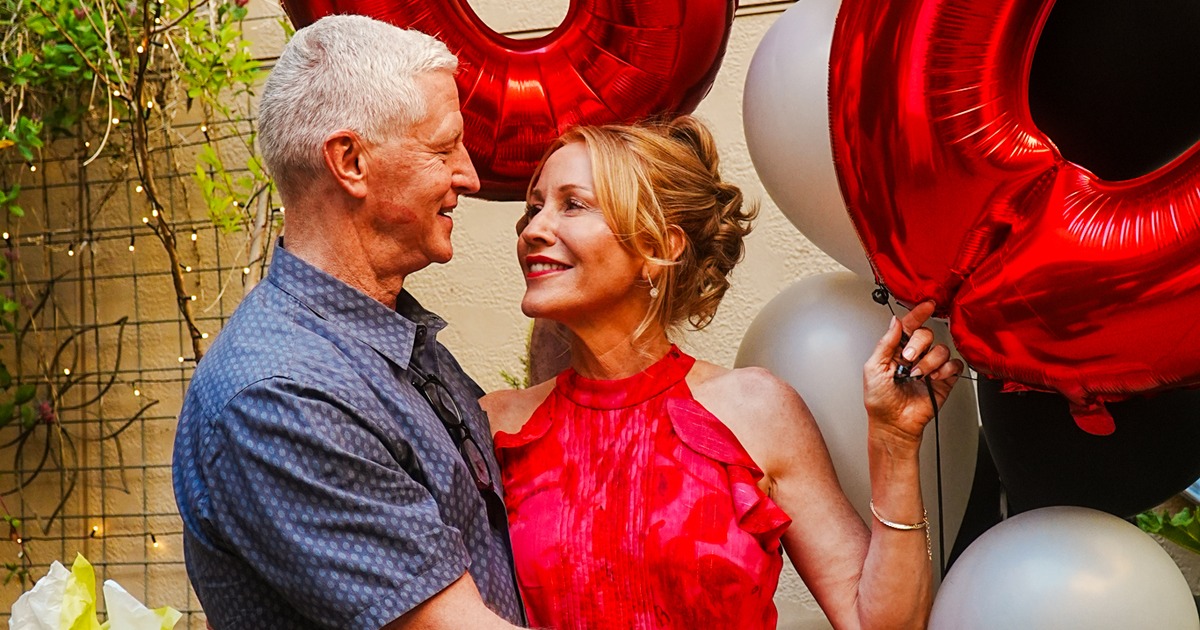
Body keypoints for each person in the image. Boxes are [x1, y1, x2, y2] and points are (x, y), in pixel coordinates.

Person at [482, 116, 962, 629]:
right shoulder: (494, 426)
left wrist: (894, 442)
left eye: (571, 204)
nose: (532, 229)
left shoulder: (756, 411)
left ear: (660, 249)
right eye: (535, 207)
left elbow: (882, 626)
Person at [172, 15, 526, 629]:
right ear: (351, 161)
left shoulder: (385, 337)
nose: (467, 175)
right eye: (443, 149)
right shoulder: (281, 396)